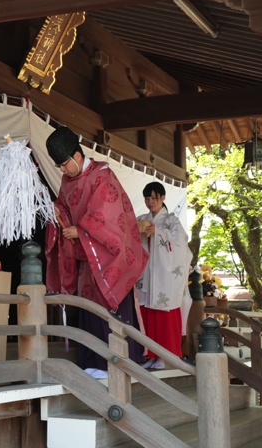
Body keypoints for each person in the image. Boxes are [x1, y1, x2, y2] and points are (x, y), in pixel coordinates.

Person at [45, 126, 149, 377]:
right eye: (58, 166)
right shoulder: (67, 181)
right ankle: (93, 361)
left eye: (63, 164)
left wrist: (80, 231)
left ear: (76, 156)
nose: (62, 170)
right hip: (88, 256)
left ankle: (118, 363)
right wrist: (58, 213)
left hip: (110, 256)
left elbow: (108, 216)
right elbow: (65, 206)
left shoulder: (103, 176)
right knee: (90, 308)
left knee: (110, 306)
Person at [136, 182, 193, 370]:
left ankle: (162, 357)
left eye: (154, 198)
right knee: (146, 315)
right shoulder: (141, 219)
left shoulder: (171, 221)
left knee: (163, 316)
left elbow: (181, 243)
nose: (150, 202)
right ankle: (149, 355)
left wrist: (158, 232)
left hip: (163, 277)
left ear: (163, 197)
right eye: (147, 198)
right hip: (146, 274)